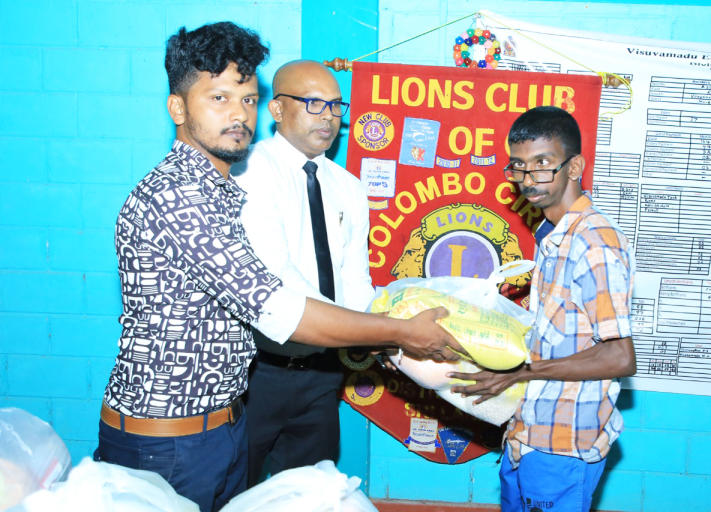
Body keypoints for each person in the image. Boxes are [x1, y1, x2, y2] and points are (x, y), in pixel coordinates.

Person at [94, 22, 463, 512]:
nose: (238, 114)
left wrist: (392, 332)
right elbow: (278, 308)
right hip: (169, 439)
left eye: (247, 99)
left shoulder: (219, 190)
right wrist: (400, 332)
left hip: (221, 423)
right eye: (219, 98)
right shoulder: (180, 197)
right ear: (178, 108)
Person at [449, 106, 637, 512]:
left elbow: (619, 356)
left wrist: (522, 372)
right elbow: (552, 336)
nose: (528, 179)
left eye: (542, 164)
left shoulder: (594, 241)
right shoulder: (550, 235)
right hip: (528, 432)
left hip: (564, 443)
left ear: (575, 167)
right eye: (519, 166)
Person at [233, 60, 372, 486]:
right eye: (314, 103)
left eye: (336, 105)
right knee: (234, 495)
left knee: (310, 494)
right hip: (256, 372)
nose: (328, 116)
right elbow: (277, 273)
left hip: (322, 374)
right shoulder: (249, 170)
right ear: (277, 109)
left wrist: (379, 329)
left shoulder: (349, 186)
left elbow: (356, 281)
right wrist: (355, 328)